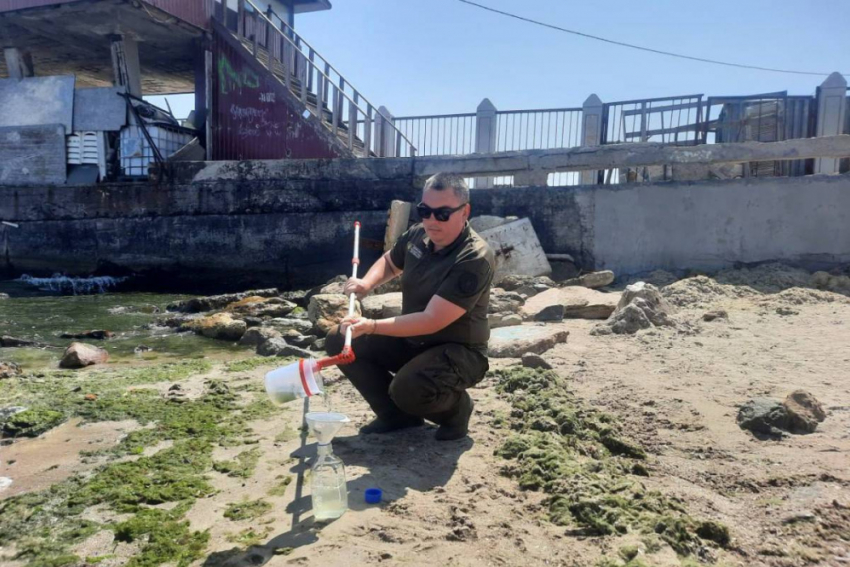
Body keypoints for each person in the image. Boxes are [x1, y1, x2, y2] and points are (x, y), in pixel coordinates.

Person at [325, 172, 495, 441]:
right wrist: (366, 284)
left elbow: (432, 320)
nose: (431, 221)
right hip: (414, 340)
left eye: (442, 214)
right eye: (425, 211)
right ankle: (396, 416)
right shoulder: (419, 234)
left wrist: (371, 325)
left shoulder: (474, 258)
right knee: (339, 339)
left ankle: (456, 411)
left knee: (407, 389)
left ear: (465, 212)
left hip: (459, 352)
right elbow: (392, 262)